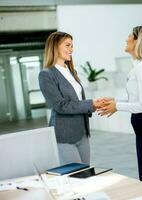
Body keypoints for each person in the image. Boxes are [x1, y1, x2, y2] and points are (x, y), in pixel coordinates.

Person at [98, 26, 142, 183]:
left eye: (129, 36)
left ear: (138, 41)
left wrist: (117, 106)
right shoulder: (139, 67)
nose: (126, 38)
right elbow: (137, 100)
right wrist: (115, 102)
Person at [39, 31, 104, 165]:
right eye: (68, 45)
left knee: (85, 173)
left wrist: (94, 104)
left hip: (82, 132)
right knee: (76, 177)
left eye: (72, 46)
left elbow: (78, 99)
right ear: (55, 46)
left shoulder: (71, 71)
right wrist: (91, 104)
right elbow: (61, 106)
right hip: (64, 134)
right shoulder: (46, 75)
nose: (71, 49)